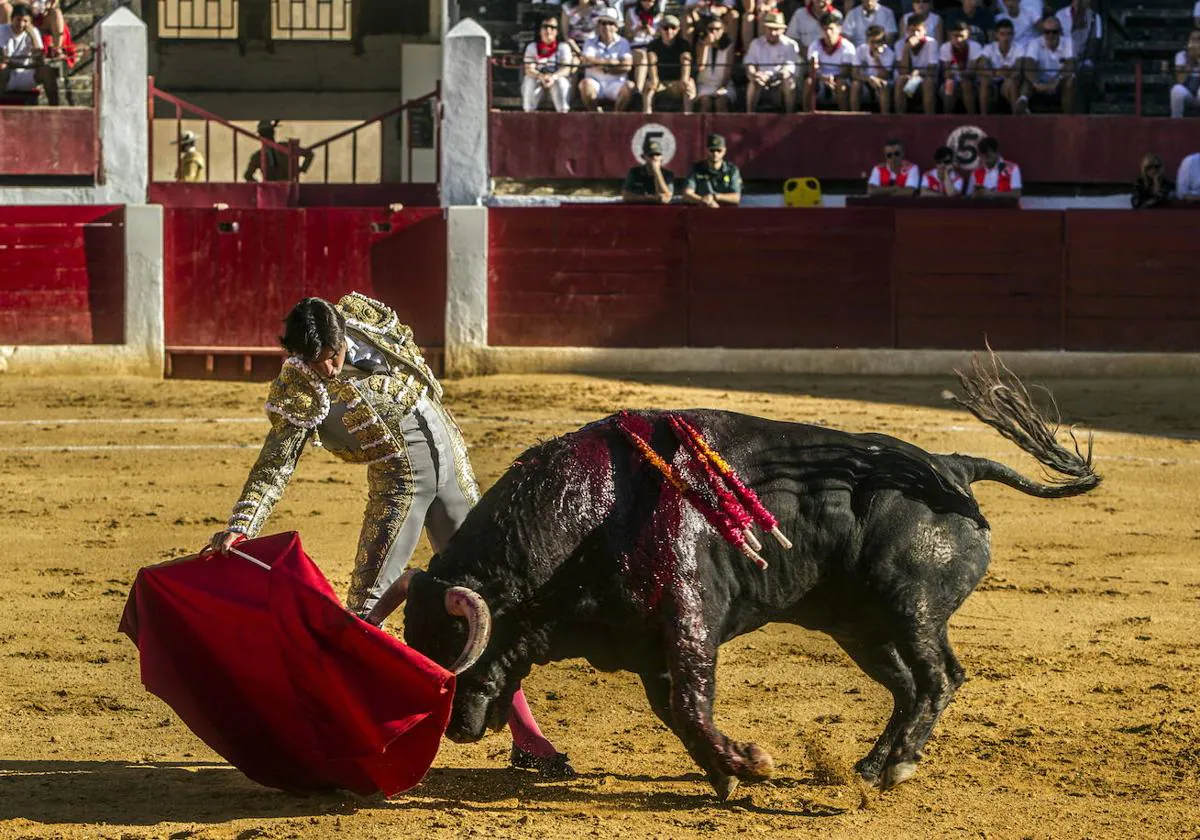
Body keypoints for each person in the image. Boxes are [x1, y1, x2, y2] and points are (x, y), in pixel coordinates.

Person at [204, 294, 575, 778]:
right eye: (316, 364)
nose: (330, 371)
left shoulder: (366, 316)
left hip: (453, 464)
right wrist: (241, 526)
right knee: (366, 614)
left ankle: (527, 736)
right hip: (401, 485)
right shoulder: (299, 384)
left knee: (490, 599)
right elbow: (276, 463)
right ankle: (347, 738)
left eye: (332, 357)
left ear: (341, 335)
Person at [0, 3, 57, 104]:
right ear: (12, 19)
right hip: (6, 75)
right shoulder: (2, 30)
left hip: (26, 74)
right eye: (18, 20)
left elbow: (39, 60)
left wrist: (32, 36)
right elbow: (4, 60)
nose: (21, 24)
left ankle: (55, 108)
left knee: (47, 71)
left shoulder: (33, 31)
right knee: (2, 67)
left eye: (25, 21)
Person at [1016, 15, 1074, 114]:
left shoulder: (1068, 42)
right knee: (1028, 81)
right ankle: (1022, 104)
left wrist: (1057, 80)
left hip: (1059, 80)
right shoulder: (1035, 43)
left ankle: (1068, 118)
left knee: (1069, 81)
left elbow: (1071, 64)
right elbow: (1029, 64)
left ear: (1060, 32)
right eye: (1047, 32)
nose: (1050, 35)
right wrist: (1037, 83)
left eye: (1054, 32)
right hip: (1040, 80)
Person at [579, 7, 634, 111]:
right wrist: (612, 62)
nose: (606, 27)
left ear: (616, 27)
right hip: (594, 82)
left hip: (616, 83)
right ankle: (595, 116)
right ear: (598, 26)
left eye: (610, 23)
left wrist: (603, 67)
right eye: (603, 23)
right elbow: (587, 60)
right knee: (584, 84)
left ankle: (616, 116)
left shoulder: (623, 42)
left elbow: (627, 66)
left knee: (630, 86)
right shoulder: (589, 42)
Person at [744, 11, 800, 113]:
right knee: (753, 82)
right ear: (764, 28)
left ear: (783, 30)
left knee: (790, 82)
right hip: (761, 80)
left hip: (780, 80)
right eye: (770, 29)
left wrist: (776, 76)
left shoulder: (791, 45)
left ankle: (790, 115)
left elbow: (789, 69)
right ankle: (749, 115)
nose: (773, 33)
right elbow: (750, 64)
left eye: (776, 29)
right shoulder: (756, 43)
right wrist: (755, 74)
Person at [522, 16, 574, 113]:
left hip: (556, 78)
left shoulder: (563, 47)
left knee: (561, 83)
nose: (548, 30)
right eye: (545, 27)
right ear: (540, 30)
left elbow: (566, 69)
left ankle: (563, 115)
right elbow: (529, 69)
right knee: (530, 81)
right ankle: (528, 114)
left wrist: (553, 77)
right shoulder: (532, 47)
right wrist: (541, 76)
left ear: (557, 31)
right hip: (538, 78)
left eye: (552, 27)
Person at [643, 14, 694, 114]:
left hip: (678, 83)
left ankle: (689, 117)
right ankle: (646, 116)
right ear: (660, 29)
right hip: (659, 83)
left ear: (678, 29)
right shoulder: (653, 45)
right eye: (665, 28)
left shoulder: (684, 44)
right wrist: (654, 80)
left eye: (673, 28)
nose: (669, 31)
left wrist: (684, 80)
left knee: (689, 84)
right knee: (648, 86)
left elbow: (686, 61)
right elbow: (651, 60)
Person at [806, 11, 855, 112]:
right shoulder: (815, 45)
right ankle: (806, 116)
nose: (828, 32)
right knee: (809, 82)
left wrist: (833, 78)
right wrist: (822, 77)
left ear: (839, 29)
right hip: (820, 79)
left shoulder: (847, 47)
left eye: (831, 29)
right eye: (825, 29)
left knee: (841, 84)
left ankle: (845, 116)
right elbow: (811, 69)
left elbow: (846, 71)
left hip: (840, 79)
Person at [243, 119, 314, 182]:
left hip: (285, 186)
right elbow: (247, 175)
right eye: (265, 133)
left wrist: (301, 169)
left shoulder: (285, 147)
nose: (268, 135)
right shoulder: (258, 156)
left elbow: (309, 154)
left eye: (268, 132)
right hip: (274, 188)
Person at [682, 133, 742, 207]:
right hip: (701, 211)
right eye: (712, 150)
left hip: (726, 212)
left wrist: (715, 197)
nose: (715, 153)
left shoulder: (732, 170)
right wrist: (703, 200)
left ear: (724, 151)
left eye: (718, 150)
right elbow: (687, 194)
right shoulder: (696, 168)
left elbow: (736, 197)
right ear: (706, 150)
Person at [894, 13, 938, 115]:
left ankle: (929, 119)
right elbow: (902, 71)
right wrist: (906, 49)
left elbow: (932, 69)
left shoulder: (931, 43)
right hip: (908, 78)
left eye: (918, 31)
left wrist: (917, 72)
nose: (915, 34)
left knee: (928, 82)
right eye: (912, 31)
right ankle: (899, 118)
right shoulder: (900, 44)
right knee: (901, 80)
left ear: (925, 30)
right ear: (907, 31)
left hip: (925, 77)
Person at [980, 18, 1024, 114]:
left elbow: (1018, 67)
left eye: (1009, 34)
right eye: (1002, 34)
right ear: (996, 35)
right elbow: (981, 67)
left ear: (1013, 35)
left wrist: (1007, 77)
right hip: (994, 78)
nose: (1006, 37)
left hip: (1012, 79)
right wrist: (996, 72)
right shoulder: (989, 47)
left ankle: (1016, 118)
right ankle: (983, 118)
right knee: (984, 80)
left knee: (1012, 82)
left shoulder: (1019, 47)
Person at [693, 14, 735, 113]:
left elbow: (728, 70)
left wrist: (722, 87)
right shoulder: (700, 43)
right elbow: (700, 66)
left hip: (724, 84)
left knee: (721, 102)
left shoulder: (729, 45)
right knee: (705, 103)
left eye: (717, 29)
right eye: (711, 29)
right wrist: (706, 46)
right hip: (705, 84)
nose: (714, 32)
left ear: (723, 29)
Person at [940, 19, 983, 114]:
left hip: (972, 81)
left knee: (965, 83)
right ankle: (946, 117)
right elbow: (947, 73)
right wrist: (951, 74)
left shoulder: (975, 46)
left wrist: (956, 72)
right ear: (950, 36)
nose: (958, 40)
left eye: (961, 36)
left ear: (968, 35)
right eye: (955, 36)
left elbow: (971, 73)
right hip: (953, 80)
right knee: (949, 84)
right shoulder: (945, 47)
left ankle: (972, 117)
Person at [851, 24, 895, 113]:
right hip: (866, 80)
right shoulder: (860, 50)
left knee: (884, 85)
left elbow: (885, 75)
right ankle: (854, 116)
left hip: (881, 80)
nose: (876, 45)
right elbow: (855, 74)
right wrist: (869, 79)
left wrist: (876, 58)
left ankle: (884, 117)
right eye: (872, 42)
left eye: (879, 41)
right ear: (867, 41)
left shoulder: (889, 53)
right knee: (856, 85)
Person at [622, 137, 675, 203]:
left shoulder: (668, 174)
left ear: (661, 157)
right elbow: (626, 196)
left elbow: (666, 199)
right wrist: (651, 199)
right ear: (644, 157)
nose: (655, 157)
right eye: (651, 155)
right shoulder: (634, 172)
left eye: (657, 154)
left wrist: (657, 171)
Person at [1170, 29, 1200, 119]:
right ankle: (1176, 123)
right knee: (1176, 90)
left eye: (1198, 39)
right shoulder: (1181, 55)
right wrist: (1190, 60)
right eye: (1192, 39)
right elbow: (1180, 80)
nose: (1195, 43)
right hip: (1188, 93)